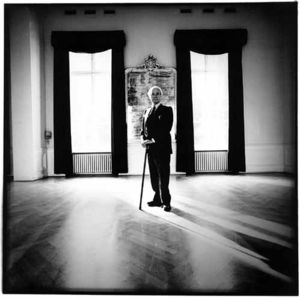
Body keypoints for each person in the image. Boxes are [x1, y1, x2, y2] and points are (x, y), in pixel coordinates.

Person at [140, 86, 173, 212]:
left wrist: (153, 139)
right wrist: (142, 140)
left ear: (161, 96)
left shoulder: (167, 110)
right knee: (154, 176)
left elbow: (166, 129)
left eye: (158, 93)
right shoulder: (146, 112)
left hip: (163, 150)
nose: (155, 95)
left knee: (163, 177)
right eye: (153, 94)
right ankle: (157, 199)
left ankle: (166, 202)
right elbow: (143, 130)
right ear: (149, 96)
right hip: (151, 150)